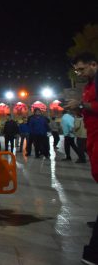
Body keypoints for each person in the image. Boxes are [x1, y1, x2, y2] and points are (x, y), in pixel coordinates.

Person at [65, 52, 98, 265]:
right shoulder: (89, 85)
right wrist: (80, 108)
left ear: (94, 64)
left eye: (82, 68)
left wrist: (82, 105)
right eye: (77, 70)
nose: (79, 73)